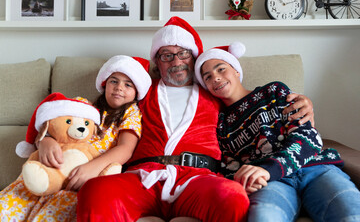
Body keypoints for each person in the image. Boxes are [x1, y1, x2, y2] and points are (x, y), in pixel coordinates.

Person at [77, 17, 315, 222]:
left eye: (183, 54)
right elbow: (89, 111)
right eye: (167, 55)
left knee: (232, 198)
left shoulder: (214, 91)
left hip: (198, 178)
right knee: (95, 192)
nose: (177, 61)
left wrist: (301, 104)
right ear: (157, 63)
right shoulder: (140, 90)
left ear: (194, 58)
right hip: (144, 175)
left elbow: (250, 104)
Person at [194, 42, 360, 222]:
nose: (216, 78)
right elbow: (228, 167)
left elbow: (308, 137)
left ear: (236, 70)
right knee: (263, 217)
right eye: (207, 77)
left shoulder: (273, 92)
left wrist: (270, 169)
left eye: (221, 69)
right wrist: (243, 179)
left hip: (314, 169)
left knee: (351, 214)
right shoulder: (219, 124)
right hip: (272, 183)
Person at [0, 55, 152, 222]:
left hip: (83, 178)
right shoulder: (82, 106)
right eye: (113, 81)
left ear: (137, 92)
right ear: (105, 84)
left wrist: (92, 168)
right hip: (51, 167)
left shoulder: (131, 114)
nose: (119, 88)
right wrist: (45, 142)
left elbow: (125, 148)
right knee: (10, 205)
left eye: (128, 84)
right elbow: (51, 127)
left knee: (55, 212)